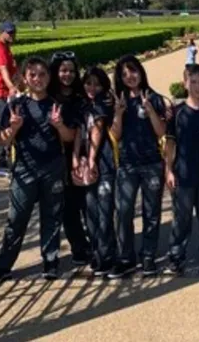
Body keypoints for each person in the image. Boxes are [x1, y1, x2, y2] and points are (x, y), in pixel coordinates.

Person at [0, 57, 78, 285]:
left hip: (52, 168)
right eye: (33, 75)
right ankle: (3, 265)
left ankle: (50, 261)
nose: (38, 79)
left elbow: (70, 136)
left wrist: (58, 125)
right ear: (25, 78)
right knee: (16, 219)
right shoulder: (16, 106)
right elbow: (3, 141)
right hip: (25, 170)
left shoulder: (57, 105)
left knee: (51, 218)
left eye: (42, 74)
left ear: (49, 77)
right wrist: (13, 128)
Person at [108, 56, 168, 279]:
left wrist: (150, 110)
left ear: (141, 72)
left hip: (152, 163)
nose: (129, 77)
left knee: (151, 212)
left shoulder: (154, 98)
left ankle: (148, 255)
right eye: (124, 74)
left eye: (132, 71)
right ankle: (126, 257)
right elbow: (115, 135)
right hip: (127, 164)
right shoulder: (118, 100)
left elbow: (161, 132)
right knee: (123, 212)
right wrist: (119, 113)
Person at [164, 64, 199, 276]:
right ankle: (176, 256)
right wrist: (168, 170)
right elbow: (170, 145)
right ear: (185, 83)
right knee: (182, 218)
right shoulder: (177, 113)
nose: (198, 86)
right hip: (182, 174)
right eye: (194, 82)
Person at [49, 52, 93, 268]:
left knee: (85, 202)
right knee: (67, 208)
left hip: (77, 155)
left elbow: (79, 129)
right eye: (63, 70)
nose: (67, 75)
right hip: (55, 157)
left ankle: (94, 243)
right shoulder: (49, 97)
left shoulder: (79, 98)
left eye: (71, 71)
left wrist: (78, 156)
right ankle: (78, 247)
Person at [78, 66, 117, 276]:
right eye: (88, 83)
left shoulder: (103, 103)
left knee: (104, 211)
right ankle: (98, 252)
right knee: (90, 210)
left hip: (104, 162)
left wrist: (91, 159)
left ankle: (106, 255)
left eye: (96, 83)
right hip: (88, 163)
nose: (92, 87)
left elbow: (98, 129)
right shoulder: (84, 104)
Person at [0, 21, 20, 175]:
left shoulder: (7, 49)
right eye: (8, 32)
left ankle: (8, 159)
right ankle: (2, 162)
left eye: (13, 32)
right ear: (1, 33)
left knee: (10, 125)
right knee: (2, 127)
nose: (12, 35)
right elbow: (3, 71)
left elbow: (14, 71)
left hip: (5, 93)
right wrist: (11, 87)